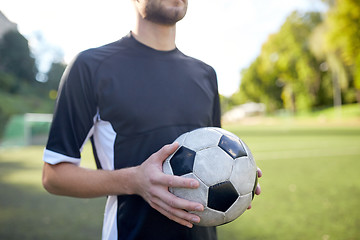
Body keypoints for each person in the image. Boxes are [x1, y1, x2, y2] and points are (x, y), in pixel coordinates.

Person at [42, 0, 262, 239]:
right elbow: (54, 176)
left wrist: (239, 174)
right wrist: (134, 180)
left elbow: (213, 158)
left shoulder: (206, 74)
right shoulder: (92, 67)